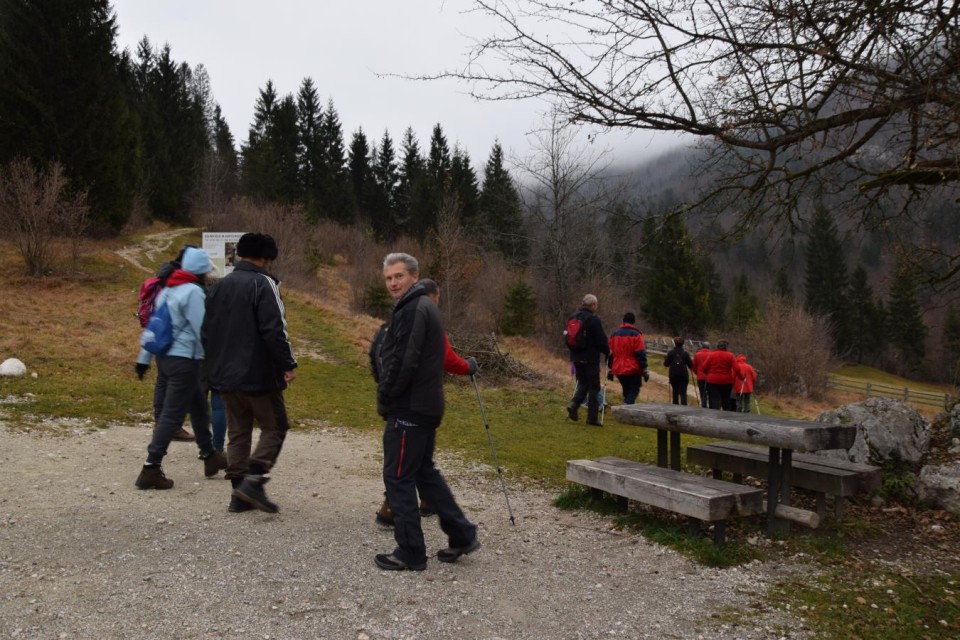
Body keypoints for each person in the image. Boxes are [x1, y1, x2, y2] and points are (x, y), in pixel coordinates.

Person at [373, 253, 479, 571]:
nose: (393, 282)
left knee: (398, 476)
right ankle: (462, 533)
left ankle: (410, 551)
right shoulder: (422, 306)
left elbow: (403, 360)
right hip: (426, 405)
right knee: (423, 472)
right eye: (389, 277)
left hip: (410, 407)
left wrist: (387, 396)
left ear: (414, 277)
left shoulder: (414, 309)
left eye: (399, 276)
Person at [203, 233, 297, 514]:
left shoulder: (219, 286)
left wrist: (214, 366)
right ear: (266, 258)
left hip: (224, 374)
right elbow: (274, 330)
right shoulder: (264, 283)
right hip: (258, 373)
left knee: (238, 432)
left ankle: (238, 495)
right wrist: (287, 364)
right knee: (275, 426)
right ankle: (254, 481)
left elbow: (207, 330)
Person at [134, 247, 227, 490]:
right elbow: (202, 329)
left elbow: (155, 326)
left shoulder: (168, 288)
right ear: (202, 271)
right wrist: (220, 355)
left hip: (166, 359)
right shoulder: (194, 292)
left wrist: (144, 358)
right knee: (172, 416)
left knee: (198, 408)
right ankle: (151, 468)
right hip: (184, 361)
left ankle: (210, 456)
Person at [566, 294, 610, 425]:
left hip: (576, 357)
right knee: (594, 387)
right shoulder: (593, 320)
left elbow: (568, 338)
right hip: (590, 358)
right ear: (592, 305)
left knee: (583, 383)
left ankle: (574, 404)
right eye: (596, 305)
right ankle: (592, 418)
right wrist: (608, 352)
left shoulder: (573, 317)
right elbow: (601, 340)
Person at [606, 312, 648, 405]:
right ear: (634, 322)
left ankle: (627, 408)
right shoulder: (636, 334)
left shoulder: (614, 334)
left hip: (618, 367)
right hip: (632, 367)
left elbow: (610, 353)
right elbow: (640, 353)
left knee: (626, 390)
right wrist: (645, 369)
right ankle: (626, 407)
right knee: (634, 390)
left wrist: (610, 369)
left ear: (623, 321)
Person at [703, 339, 738, 411]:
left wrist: (708, 373)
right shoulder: (730, 356)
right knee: (725, 399)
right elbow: (737, 369)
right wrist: (741, 377)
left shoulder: (712, 355)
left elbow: (704, 367)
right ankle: (726, 415)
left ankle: (714, 414)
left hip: (713, 380)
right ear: (726, 347)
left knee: (714, 399)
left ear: (717, 346)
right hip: (726, 381)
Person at [663, 337, 695, 405]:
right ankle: (684, 407)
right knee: (683, 392)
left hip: (673, 375)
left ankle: (675, 406)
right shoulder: (685, 353)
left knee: (675, 392)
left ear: (674, 343)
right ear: (683, 344)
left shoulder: (671, 353)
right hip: (683, 375)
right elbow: (690, 365)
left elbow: (666, 364)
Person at [692, 342, 712, 408]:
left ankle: (704, 405)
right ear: (708, 347)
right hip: (710, 377)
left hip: (700, 376)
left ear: (702, 347)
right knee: (710, 392)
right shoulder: (712, 354)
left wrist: (696, 372)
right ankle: (711, 406)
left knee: (702, 392)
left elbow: (694, 366)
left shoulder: (697, 355)